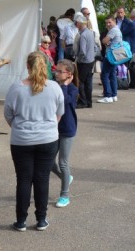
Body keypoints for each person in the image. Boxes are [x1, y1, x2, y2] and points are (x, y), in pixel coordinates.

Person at [4, 52, 64, 231]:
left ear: (27, 67)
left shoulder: (17, 88)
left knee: (23, 179)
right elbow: (59, 113)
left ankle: (21, 220)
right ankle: (41, 219)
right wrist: (49, 127)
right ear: (45, 66)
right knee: (42, 179)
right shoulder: (54, 87)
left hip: (22, 139)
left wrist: (18, 126)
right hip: (48, 139)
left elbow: (8, 114)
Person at [51, 59, 78, 208]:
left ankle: (65, 195)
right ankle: (66, 178)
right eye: (56, 70)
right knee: (49, 161)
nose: (57, 73)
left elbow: (64, 100)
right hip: (54, 128)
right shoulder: (54, 86)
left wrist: (66, 86)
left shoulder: (73, 90)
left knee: (63, 162)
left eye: (60, 71)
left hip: (68, 129)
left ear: (69, 74)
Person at [98, 17, 122, 104]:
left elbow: (104, 40)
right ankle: (113, 95)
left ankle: (108, 95)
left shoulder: (113, 31)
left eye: (109, 22)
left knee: (104, 75)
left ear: (114, 22)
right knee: (112, 75)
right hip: (115, 55)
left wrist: (105, 41)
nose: (108, 24)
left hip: (110, 55)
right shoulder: (118, 30)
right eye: (106, 23)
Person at [74, 14, 96, 108]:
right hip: (91, 60)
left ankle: (83, 101)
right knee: (88, 82)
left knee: (80, 81)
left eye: (76, 23)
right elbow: (94, 47)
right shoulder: (90, 33)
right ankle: (89, 101)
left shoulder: (83, 35)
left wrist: (78, 59)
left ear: (79, 23)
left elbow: (82, 51)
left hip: (84, 62)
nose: (75, 24)